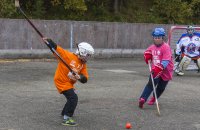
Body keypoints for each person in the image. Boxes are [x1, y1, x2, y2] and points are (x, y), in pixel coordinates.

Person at [43, 38, 94, 126]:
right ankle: (67, 118)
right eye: (88, 55)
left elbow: (85, 78)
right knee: (73, 98)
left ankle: (64, 112)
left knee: (71, 97)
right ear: (82, 52)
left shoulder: (83, 64)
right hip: (61, 81)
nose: (88, 57)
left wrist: (80, 77)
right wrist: (49, 41)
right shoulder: (68, 56)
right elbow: (56, 49)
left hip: (69, 83)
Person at [139, 27, 174, 109]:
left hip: (166, 71)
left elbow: (166, 60)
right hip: (155, 70)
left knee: (161, 87)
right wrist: (147, 56)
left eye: (159, 38)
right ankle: (143, 99)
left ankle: (154, 98)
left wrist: (160, 67)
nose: (157, 39)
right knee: (151, 84)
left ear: (162, 38)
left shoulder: (166, 47)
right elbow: (147, 53)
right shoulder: (151, 47)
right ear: (153, 38)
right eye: (155, 37)